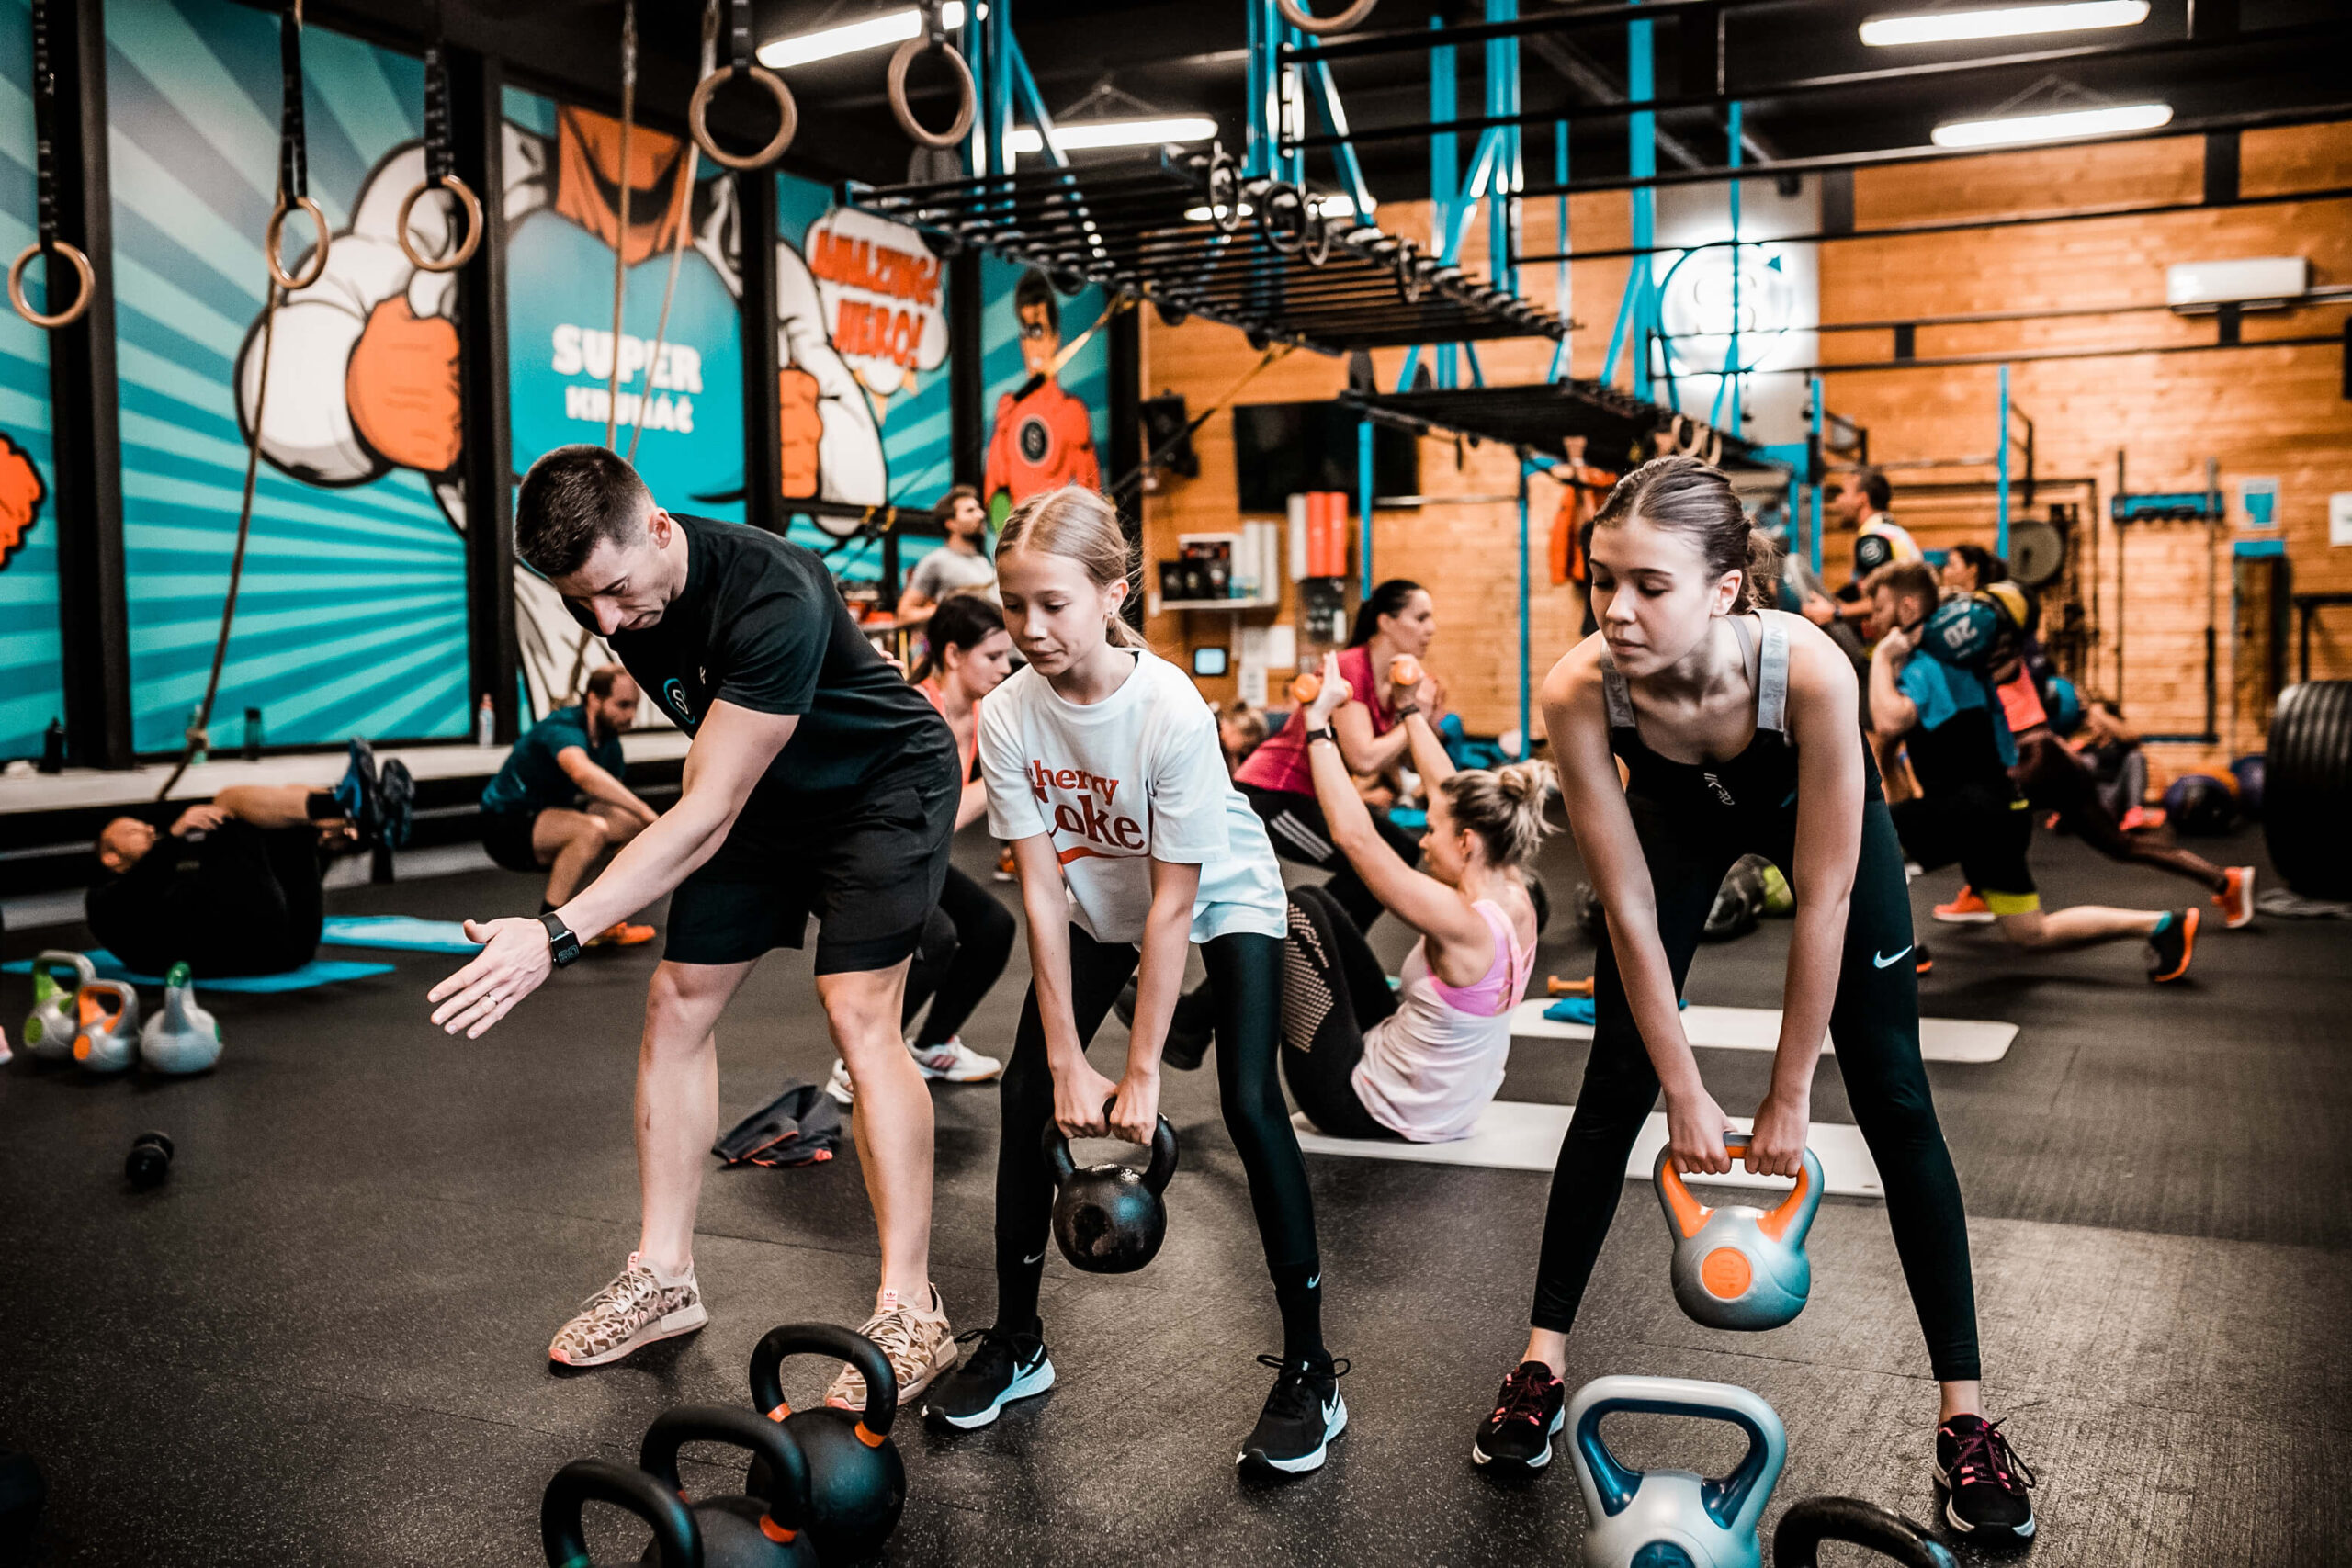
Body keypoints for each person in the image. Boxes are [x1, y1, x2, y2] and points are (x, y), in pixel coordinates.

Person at [1483, 457, 2039, 1545]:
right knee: (1616, 1079)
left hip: (1814, 824)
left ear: (1725, 588)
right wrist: (1685, 1090)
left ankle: (1964, 1420)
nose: (1616, 609)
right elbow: (1626, 909)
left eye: (1650, 585)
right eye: (1603, 581)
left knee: (1892, 1092)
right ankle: (1539, 1366)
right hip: (1677, 824)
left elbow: (1821, 900)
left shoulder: (1813, 672)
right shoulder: (1580, 688)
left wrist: (1788, 1098)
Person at [425, 446, 964, 1410]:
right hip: (766, 794)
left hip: (881, 786)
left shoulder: (772, 591)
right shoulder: (618, 597)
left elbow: (707, 810)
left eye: (615, 591)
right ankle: (665, 1277)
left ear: (661, 528)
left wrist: (556, 932)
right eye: (580, 601)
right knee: (676, 1001)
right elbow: (717, 784)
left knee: (856, 1010)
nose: (604, 622)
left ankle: (912, 1307)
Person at [922, 485, 1342, 1475]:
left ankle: (1312, 1370)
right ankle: (1018, 1342)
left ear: (1113, 594)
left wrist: (1142, 1071)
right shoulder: (1008, 712)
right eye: (1014, 605)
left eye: (1053, 604)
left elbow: (1173, 906)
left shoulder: (1169, 709)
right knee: (1027, 1090)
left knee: (1248, 1101)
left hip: (1220, 889)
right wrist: (1070, 1060)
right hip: (1096, 896)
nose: (1030, 628)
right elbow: (1039, 893)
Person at [1866, 561, 2199, 980]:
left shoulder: (1928, 664)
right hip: (2002, 810)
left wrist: (1881, 658)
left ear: (1908, 608)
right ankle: (2160, 925)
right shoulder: (1956, 661)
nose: (1873, 618)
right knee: (2032, 931)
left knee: (1864, 838)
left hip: (1974, 809)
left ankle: (1904, 953)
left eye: (1879, 608)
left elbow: (1889, 721)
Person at [1280, 649, 1549, 1143]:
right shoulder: (1513, 892)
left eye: (1431, 831)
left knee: (1297, 913)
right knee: (1320, 903)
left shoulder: (1462, 922)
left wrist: (1318, 724)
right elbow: (1447, 789)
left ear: (1466, 842)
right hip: (1444, 1106)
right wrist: (1408, 709)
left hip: (1358, 1105)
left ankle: (1237, 1064)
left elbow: (1355, 838)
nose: (1423, 843)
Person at [827, 593, 1016, 1103]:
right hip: (865, 855)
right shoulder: (913, 711)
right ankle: (856, 1061)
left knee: (993, 927)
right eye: (992, 656)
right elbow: (936, 817)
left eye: (1006, 655)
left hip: (916, 856)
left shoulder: (980, 713)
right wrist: (1007, 779)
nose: (1005, 667)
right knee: (938, 938)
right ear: (953, 654)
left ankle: (934, 1045)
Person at [87, 742, 411, 978]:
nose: (147, 829)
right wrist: (173, 836)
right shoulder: (103, 902)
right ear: (110, 856)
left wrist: (318, 849)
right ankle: (348, 806)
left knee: (287, 814)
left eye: (145, 826)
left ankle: (368, 819)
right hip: (252, 946)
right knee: (228, 802)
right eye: (133, 831)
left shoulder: (164, 883)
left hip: (293, 943)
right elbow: (138, 888)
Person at [1234, 579, 1440, 934]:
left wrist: (1419, 718)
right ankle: (1312, 947)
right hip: (1273, 795)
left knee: (1401, 850)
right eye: (1421, 618)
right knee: (1368, 865)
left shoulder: (1389, 683)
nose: (1431, 629)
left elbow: (1398, 762)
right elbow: (1364, 759)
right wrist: (1412, 716)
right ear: (1386, 622)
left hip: (1311, 796)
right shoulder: (1350, 667)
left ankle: (1327, 950)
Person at [477, 664, 659, 947]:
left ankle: (602, 916)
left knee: (633, 826)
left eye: (634, 707)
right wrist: (646, 811)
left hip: (549, 817)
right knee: (592, 830)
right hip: (505, 825)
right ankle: (549, 929)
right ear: (594, 699)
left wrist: (649, 823)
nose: (631, 716)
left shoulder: (609, 743)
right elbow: (581, 772)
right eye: (623, 705)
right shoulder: (562, 726)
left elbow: (609, 798)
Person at [983, 271, 1101, 513]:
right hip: (1020, 532)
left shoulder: (1072, 412)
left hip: (1059, 530)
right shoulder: (1008, 408)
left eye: (1039, 331)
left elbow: (1089, 494)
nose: (1033, 343)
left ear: (1055, 339)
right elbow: (996, 495)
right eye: (1027, 332)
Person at [1826, 466, 1921, 628]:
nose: (1838, 500)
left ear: (1861, 499)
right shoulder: (1889, 531)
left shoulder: (1873, 539)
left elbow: (1882, 601)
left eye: (1843, 493)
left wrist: (1835, 612)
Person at [895, 485, 997, 627]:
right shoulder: (937, 561)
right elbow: (904, 615)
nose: (981, 515)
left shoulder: (983, 562)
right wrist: (949, 610)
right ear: (950, 523)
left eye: (978, 509)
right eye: (970, 511)